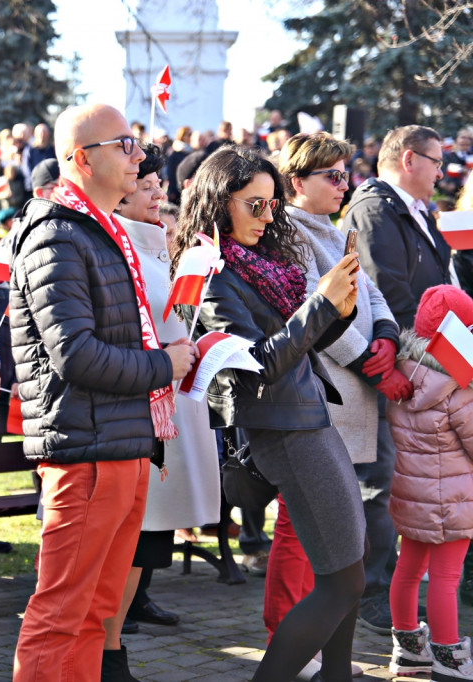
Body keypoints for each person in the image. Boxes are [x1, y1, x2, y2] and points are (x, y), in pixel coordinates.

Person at [10, 103, 197, 681]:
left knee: (97, 612)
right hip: (86, 449)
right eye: (126, 145)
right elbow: (77, 355)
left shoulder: (102, 228)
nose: (140, 156)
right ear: (82, 159)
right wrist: (162, 365)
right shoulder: (58, 233)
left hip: (119, 440)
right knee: (62, 609)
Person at [169, 145, 363, 681]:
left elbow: (302, 342)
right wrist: (321, 304)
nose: (268, 215)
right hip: (282, 429)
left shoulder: (259, 265)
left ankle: (337, 676)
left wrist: (336, 308)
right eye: (255, 204)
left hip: (308, 417)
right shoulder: (211, 272)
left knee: (347, 567)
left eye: (272, 204)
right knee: (341, 580)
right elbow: (258, 366)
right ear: (218, 201)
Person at [275, 131, 407, 675]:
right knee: (301, 529)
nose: (342, 183)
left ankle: (330, 659)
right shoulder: (288, 235)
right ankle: (285, 642)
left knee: (339, 539)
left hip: (355, 394)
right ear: (296, 182)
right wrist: (364, 359)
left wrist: (388, 338)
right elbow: (316, 312)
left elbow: (371, 294)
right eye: (330, 175)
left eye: (344, 173)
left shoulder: (334, 228)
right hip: (322, 396)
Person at [108, 144, 221, 664]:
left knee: (148, 543)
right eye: (148, 186)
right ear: (122, 190)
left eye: (161, 187)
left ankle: (112, 651)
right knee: (127, 546)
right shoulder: (117, 245)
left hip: (170, 402)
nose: (159, 195)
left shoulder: (153, 243)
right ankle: (106, 652)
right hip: (139, 408)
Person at [343, 124, 453, 634]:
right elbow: (391, 296)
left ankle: (392, 589)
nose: (442, 170)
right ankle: (368, 595)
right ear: (410, 159)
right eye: (435, 160)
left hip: (420, 366)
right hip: (394, 369)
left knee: (402, 486)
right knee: (379, 486)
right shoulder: (373, 208)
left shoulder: (410, 209)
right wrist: (440, 361)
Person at [386, 284, 473, 681]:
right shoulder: (459, 386)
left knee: (407, 568)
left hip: (411, 491)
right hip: (454, 496)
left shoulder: (403, 372)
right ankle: (449, 654)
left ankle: (408, 651)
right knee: (446, 576)